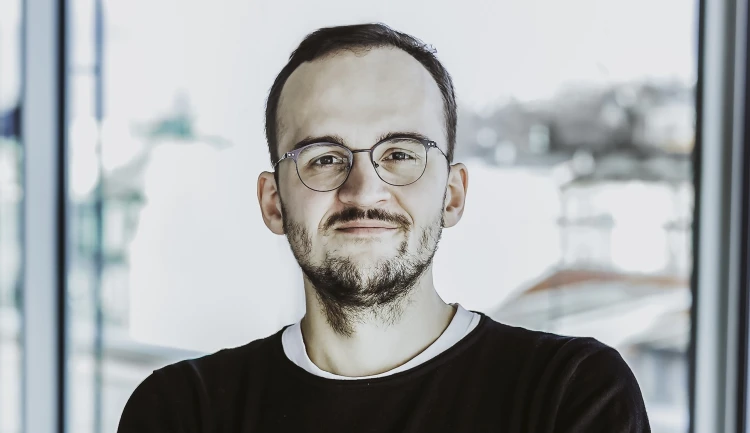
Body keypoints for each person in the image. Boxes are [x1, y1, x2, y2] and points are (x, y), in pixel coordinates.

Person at [117, 23, 651, 433]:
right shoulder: (182, 412)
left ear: (453, 194)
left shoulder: (569, 393)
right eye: (324, 158)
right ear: (273, 203)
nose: (363, 190)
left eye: (400, 153)